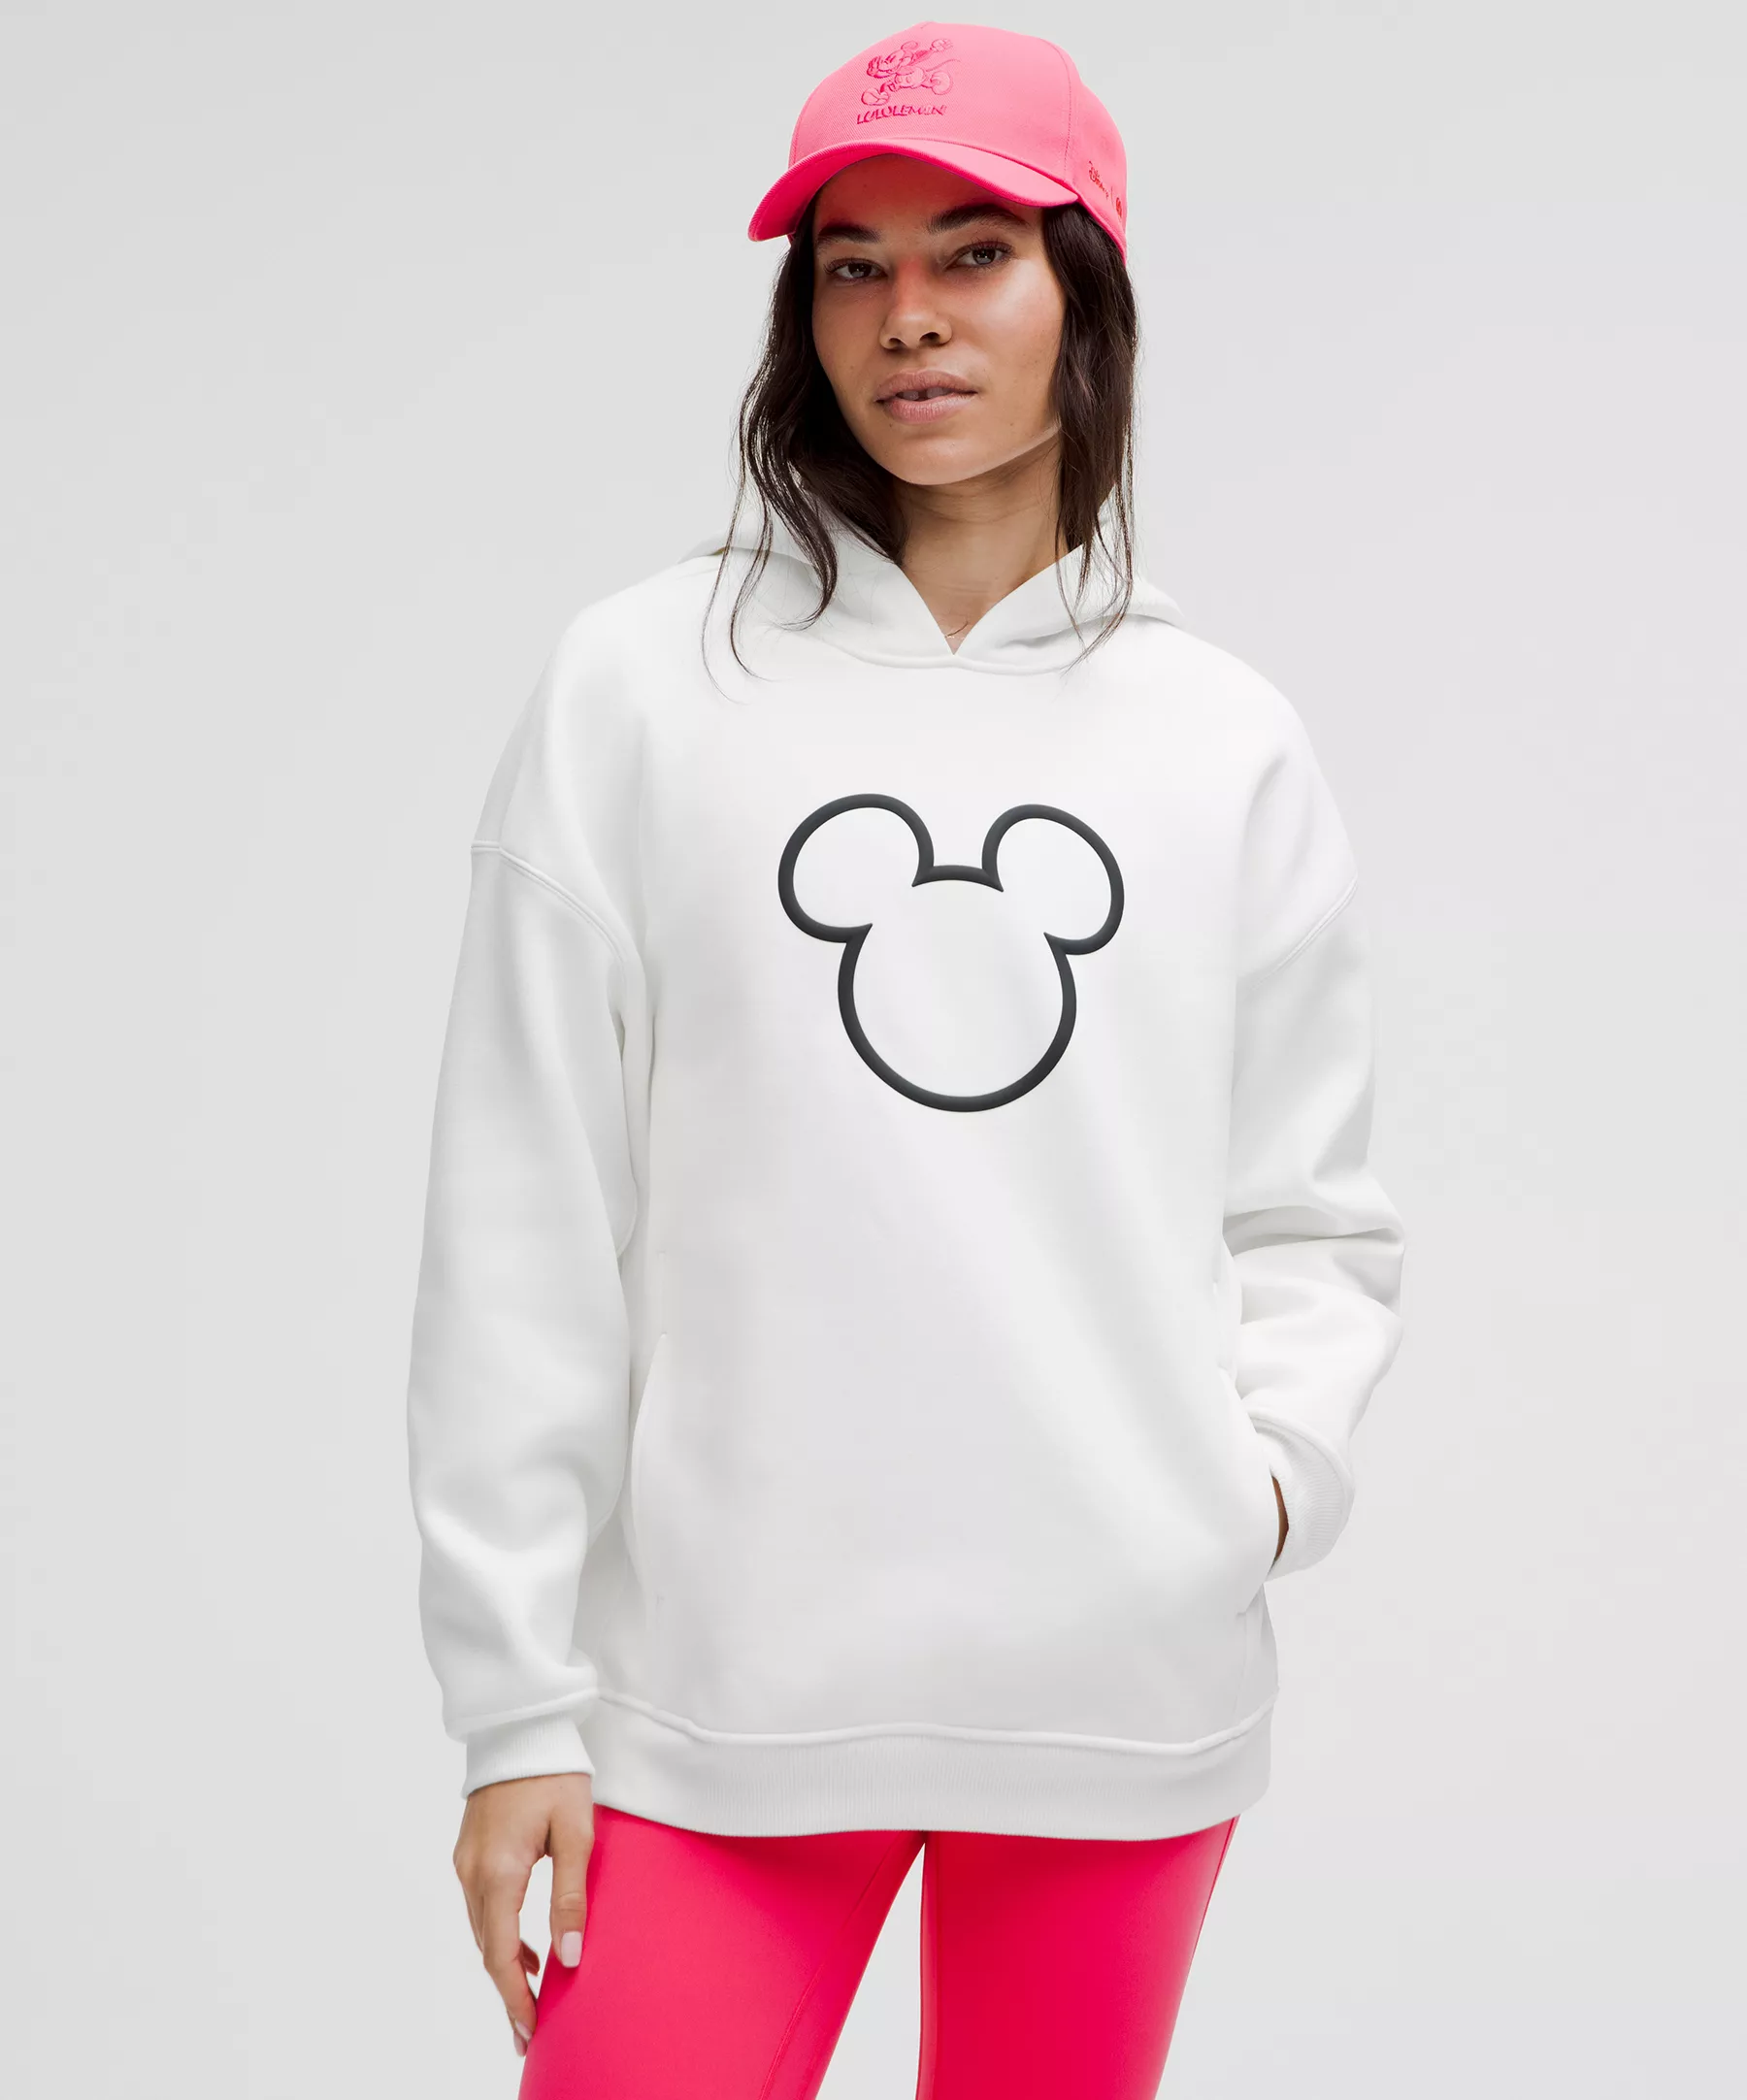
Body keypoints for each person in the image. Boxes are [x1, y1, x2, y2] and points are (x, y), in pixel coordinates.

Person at [404, 19, 1407, 2098]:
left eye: (973, 253)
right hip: (715, 1700)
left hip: (1119, 1688)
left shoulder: (1220, 737)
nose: (909, 315)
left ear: (1084, 293)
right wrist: (515, 1709)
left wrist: (1251, 1491)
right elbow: (524, 1214)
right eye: (850, 265)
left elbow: (1312, 1212)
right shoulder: (640, 690)